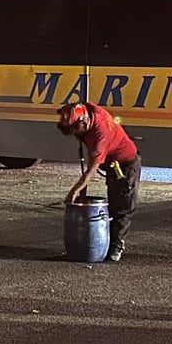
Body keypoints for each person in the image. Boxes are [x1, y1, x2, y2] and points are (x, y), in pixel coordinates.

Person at [57, 101, 141, 263]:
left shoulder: (99, 134)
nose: (74, 134)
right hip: (111, 163)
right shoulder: (88, 110)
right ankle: (105, 242)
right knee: (113, 198)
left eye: (75, 129)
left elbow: (92, 168)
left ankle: (117, 245)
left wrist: (76, 190)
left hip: (126, 164)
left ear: (84, 122)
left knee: (122, 204)